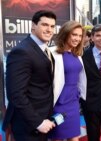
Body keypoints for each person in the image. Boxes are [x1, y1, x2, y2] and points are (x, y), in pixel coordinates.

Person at [2, 10, 56, 141]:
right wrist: (38, 122)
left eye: (52, 26)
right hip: (28, 125)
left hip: (41, 119)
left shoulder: (43, 49)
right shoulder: (22, 51)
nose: (49, 30)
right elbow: (16, 94)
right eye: (45, 25)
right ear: (33, 25)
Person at [48, 21, 86, 141]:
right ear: (65, 33)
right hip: (58, 101)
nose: (77, 39)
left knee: (74, 136)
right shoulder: (51, 52)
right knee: (57, 136)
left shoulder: (77, 55)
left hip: (73, 102)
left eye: (80, 36)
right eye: (74, 34)